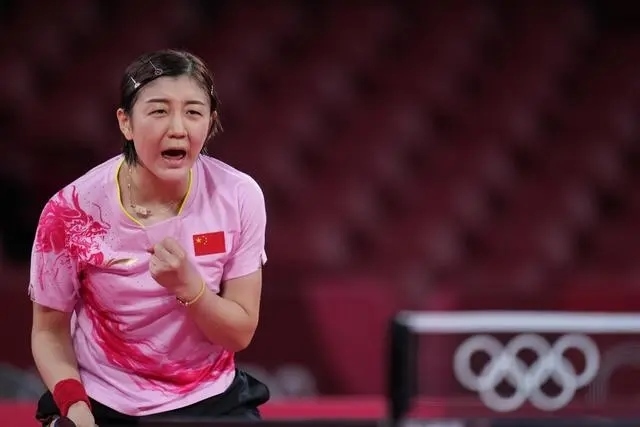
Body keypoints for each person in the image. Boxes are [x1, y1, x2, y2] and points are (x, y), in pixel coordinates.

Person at [29, 49, 270, 427]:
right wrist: (75, 408)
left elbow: (238, 334)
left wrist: (190, 288)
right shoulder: (71, 210)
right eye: (159, 111)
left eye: (193, 112)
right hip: (102, 401)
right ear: (125, 122)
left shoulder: (238, 196)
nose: (178, 128)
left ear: (210, 122)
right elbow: (48, 332)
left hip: (209, 400)